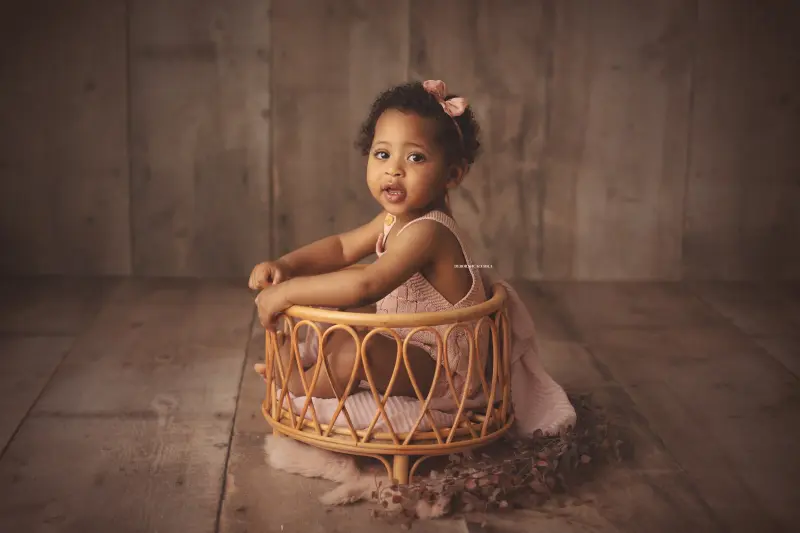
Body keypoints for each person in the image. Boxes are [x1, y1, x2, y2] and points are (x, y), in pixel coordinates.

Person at [250, 79, 489, 402]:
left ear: (452, 175)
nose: (393, 170)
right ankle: (327, 363)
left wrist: (286, 292)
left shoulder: (429, 231)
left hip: (441, 370)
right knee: (353, 312)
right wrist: (286, 265)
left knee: (361, 343)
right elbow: (341, 247)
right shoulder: (393, 221)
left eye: (415, 158)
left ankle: (301, 384)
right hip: (405, 341)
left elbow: (369, 283)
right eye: (382, 154)